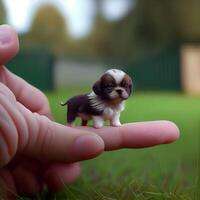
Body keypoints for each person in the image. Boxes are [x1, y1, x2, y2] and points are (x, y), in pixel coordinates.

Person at [0, 25, 180, 198]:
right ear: (100, 89)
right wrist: (39, 133)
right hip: (83, 111)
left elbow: (115, 112)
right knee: (85, 121)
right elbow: (97, 112)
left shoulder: (116, 104)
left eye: (124, 87)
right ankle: (72, 124)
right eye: (111, 86)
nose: (119, 91)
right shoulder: (94, 101)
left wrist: (114, 120)